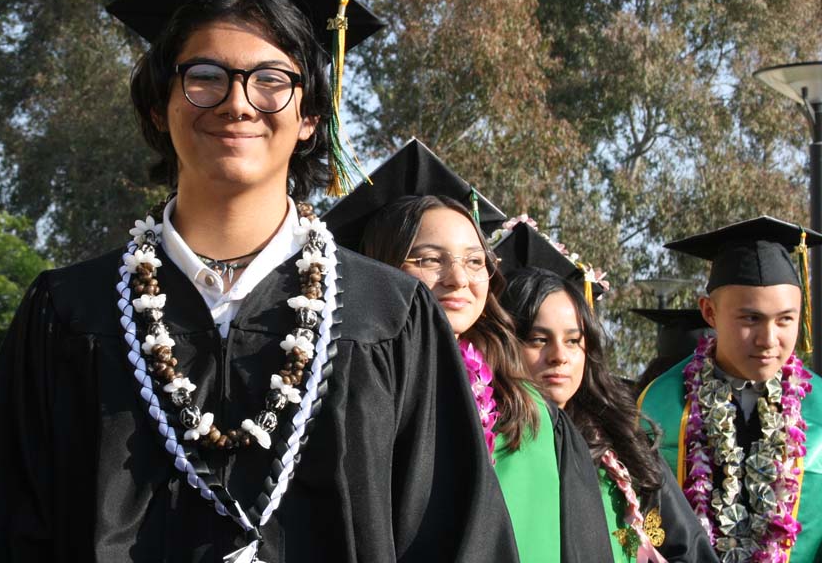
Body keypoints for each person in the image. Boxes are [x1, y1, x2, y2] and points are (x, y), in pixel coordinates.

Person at [0, 0, 519, 562]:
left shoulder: (389, 318)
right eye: (204, 78)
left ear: (310, 116)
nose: (238, 102)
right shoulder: (69, 315)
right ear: (157, 105)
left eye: (271, 81)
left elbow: (457, 542)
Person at [324, 138, 613, 563]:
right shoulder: (338, 389)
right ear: (379, 268)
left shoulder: (531, 410)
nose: (459, 279)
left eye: (475, 261)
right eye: (428, 259)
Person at [495, 227, 716, 562]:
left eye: (573, 340)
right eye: (538, 339)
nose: (559, 356)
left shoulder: (621, 446)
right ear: (504, 345)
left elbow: (687, 549)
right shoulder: (487, 444)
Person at [638, 216, 822, 563]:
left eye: (785, 319)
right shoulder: (660, 402)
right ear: (709, 312)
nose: (769, 340)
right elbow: (640, 518)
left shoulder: (821, 407)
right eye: (750, 319)